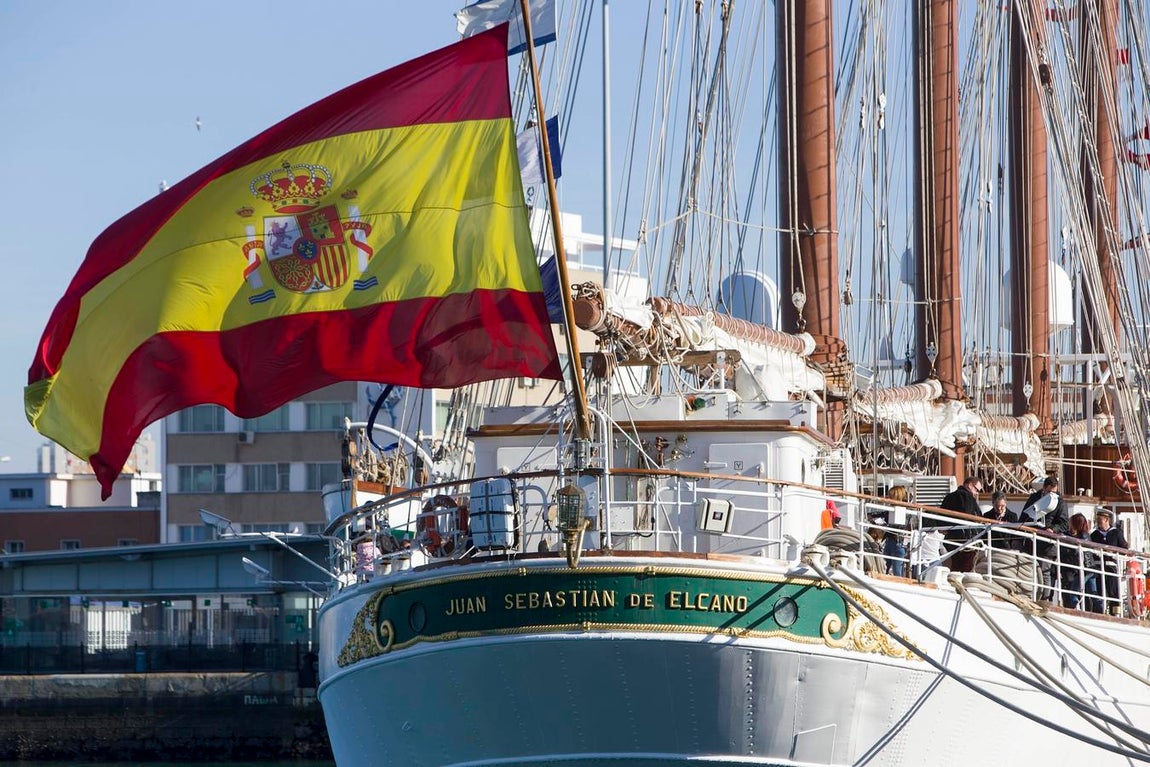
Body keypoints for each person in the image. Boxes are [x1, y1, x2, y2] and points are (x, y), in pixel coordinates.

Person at [1019, 477, 1069, 601]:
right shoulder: (1034, 498)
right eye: (1050, 492)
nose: (1052, 495)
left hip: (1048, 543)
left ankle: (1044, 600)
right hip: (1032, 541)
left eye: (1054, 492)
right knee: (1029, 570)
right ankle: (1029, 597)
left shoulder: (1060, 502)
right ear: (1044, 488)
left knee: (1044, 572)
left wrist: (1053, 529)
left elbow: (1064, 524)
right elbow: (1024, 516)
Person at [938, 476, 983, 571]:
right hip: (966, 540)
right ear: (970, 485)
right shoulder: (968, 498)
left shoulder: (949, 497)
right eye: (977, 490)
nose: (977, 493)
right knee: (966, 568)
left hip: (951, 539)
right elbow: (971, 516)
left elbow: (941, 517)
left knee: (956, 566)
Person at [1089, 508, 1128, 615]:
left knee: (1114, 591)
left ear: (1106, 520)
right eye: (1097, 519)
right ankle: (1098, 613)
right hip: (1098, 566)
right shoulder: (1094, 534)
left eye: (1100, 519)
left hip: (1111, 566)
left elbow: (1124, 548)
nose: (1098, 522)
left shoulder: (1116, 533)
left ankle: (1115, 614)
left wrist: (1113, 551)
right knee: (1098, 591)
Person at [1059, 513, 1091, 610]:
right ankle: (1072, 608)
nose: (1069, 524)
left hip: (1077, 568)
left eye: (1071, 522)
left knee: (1074, 591)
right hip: (1070, 567)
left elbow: (1078, 551)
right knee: (1069, 589)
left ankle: (1075, 608)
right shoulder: (1068, 534)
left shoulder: (1084, 536)